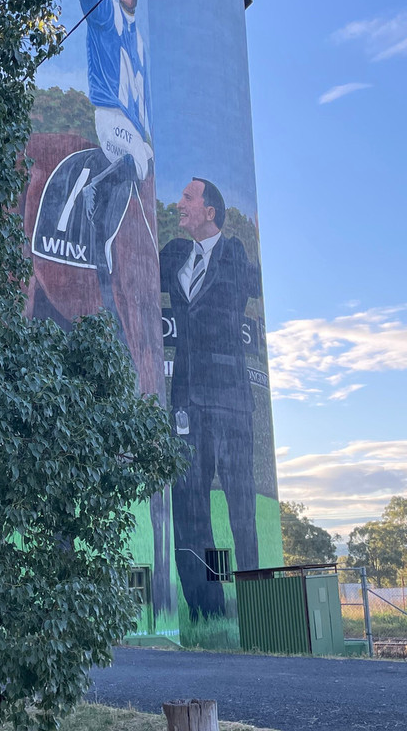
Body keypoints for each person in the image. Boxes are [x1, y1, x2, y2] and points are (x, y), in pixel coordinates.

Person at [160, 178, 262, 617]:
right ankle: (209, 606)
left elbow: (255, 284)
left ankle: (259, 601)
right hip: (187, 404)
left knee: (242, 509)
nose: (179, 204)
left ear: (210, 211)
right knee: (191, 509)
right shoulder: (174, 256)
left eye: (188, 198)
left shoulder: (235, 254)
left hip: (231, 404)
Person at [61, 0, 152, 333]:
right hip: (111, 120)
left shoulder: (139, 40)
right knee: (140, 159)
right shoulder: (104, 10)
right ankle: (94, 185)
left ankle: (108, 277)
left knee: (144, 166)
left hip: (133, 129)